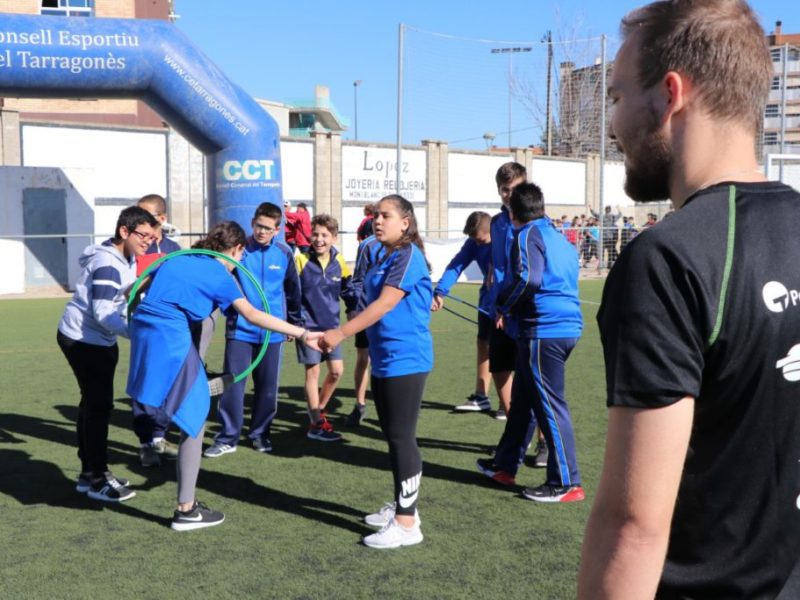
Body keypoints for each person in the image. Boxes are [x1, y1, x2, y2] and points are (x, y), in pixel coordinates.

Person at [577, 1, 800, 597]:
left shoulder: (668, 259)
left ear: (670, 95)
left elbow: (634, 527)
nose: (613, 122)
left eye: (619, 97)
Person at [126, 221, 321, 531]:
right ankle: (185, 510)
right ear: (237, 249)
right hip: (171, 335)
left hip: (145, 330)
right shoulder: (221, 274)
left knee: (188, 395)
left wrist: (134, 320)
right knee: (196, 413)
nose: (239, 263)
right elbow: (253, 315)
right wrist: (302, 333)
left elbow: (136, 289)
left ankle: (192, 388)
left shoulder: (179, 258)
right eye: (240, 256)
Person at [320, 194, 432, 549]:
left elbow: (384, 303)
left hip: (406, 358)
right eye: (375, 215)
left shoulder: (407, 255)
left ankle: (407, 523)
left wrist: (341, 332)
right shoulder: (382, 253)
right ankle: (403, 506)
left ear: (406, 222)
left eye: (386, 215)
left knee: (401, 437)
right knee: (393, 436)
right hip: (385, 357)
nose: (378, 221)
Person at [476, 183, 583, 501]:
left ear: (512, 212)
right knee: (523, 400)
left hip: (544, 330)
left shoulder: (526, 235)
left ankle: (567, 482)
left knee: (550, 404)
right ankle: (505, 465)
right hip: (561, 327)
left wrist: (502, 305)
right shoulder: (558, 237)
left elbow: (528, 278)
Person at [57, 206, 157, 502]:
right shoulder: (108, 263)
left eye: (152, 237)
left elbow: (118, 297)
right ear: (124, 232)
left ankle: (89, 473)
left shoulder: (124, 256)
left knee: (92, 404)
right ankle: (98, 477)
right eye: (143, 235)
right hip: (84, 340)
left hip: (96, 339)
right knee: (99, 407)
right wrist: (137, 333)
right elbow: (102, 312)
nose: (147, 242)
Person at [204, 202, 303, 457]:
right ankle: (227, 437)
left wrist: (294, 323)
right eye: (259, 226)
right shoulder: (238, 251)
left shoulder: (284, 253)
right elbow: (219, 280)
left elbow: (293, 290)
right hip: (241, 329)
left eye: (268, 228)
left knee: (268, 387)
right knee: (233, 384)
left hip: (272, 331)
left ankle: (260, 434)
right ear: (252, 223)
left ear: (277, 229)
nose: (262, 232)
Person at [132, 193, 182, 468]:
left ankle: (160, 436)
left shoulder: (175, 249)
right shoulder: (136, 247)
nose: (141, 222)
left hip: (170, 328)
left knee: (168, 383)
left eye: (147, 216)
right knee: (143, 384)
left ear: (162, 219)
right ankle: (145, 443)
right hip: (142, 328)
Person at [296, 214, 357, 441]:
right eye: (315, 234)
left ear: (334, 237)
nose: (319, 239)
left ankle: (318, 409)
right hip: (308, 328)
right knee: (313, 373)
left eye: (325, 235)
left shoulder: (338, 261)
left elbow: (348, 289)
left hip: (332, 328)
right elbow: (293, 295)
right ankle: (315, 424)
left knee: (336, 371)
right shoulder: (300, 260)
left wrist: (353, 310)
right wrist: (295, 325)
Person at [431, 211, 493, 412]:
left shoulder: (505, 239)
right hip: (487, 300)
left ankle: (507, 403)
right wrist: (440, 292)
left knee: (505, 351)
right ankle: (481, 396)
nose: (476, 243)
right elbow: (457, 265)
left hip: (507, 302)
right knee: (483, 342)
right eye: (472, 239)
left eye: (480, 239)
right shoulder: (473, 243)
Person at [343, 232, 384, 427]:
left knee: (388, 359)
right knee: (363, 358)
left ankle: (389, 407)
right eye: (378, 217)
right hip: (367, 310)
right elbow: (358, 278)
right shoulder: (369, 245)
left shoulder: (408, 245)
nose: (380, 222)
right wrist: (353, 307)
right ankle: (360, 405)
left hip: (393, 314)